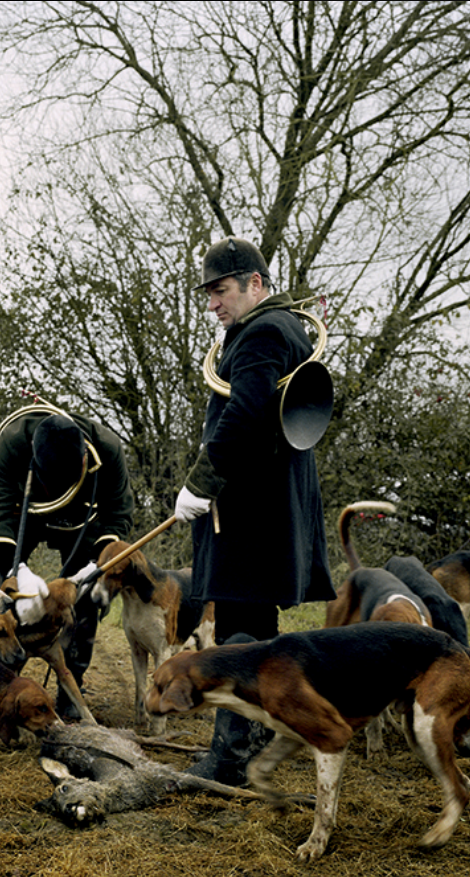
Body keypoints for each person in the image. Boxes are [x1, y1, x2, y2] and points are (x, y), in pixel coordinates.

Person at [176, 237, 335, 785]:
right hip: (270, 510)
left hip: (249, 511)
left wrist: (199, 482)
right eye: (210, 294)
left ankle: (228, 759)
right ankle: (261, 735)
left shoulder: (263, 332)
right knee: (259, 630)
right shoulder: (281, 327)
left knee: (240, 631)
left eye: (221, 291)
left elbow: (244, 415)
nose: (213, 305)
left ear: (255, 284)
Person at [0, 408, 135, 717]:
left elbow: (118, 514)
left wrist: (96, 564)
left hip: (82, 517)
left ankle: (71, 684)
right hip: (24, 510)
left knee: (89, 594)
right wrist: (16, 570)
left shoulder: (108, 448)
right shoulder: (12, 443)